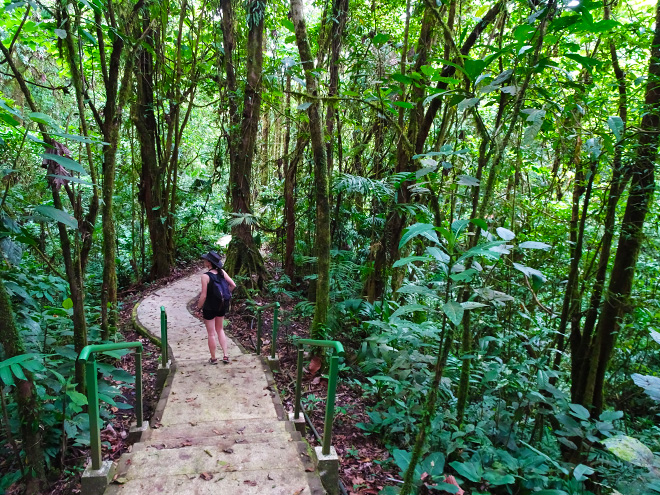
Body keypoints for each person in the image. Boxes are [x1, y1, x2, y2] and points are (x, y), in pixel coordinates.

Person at [197, 251, 236, 364]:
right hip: (222, 305)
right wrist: (225, 295)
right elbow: (233, 285)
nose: (204, 261)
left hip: (209, 307)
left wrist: (198, 308)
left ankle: (213, 358)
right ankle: (225, 355)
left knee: (211, 333)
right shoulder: (222, 272)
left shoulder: (205, 276)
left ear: (209, 262)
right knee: (220, 330)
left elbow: (203, 295)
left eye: (205, 260)